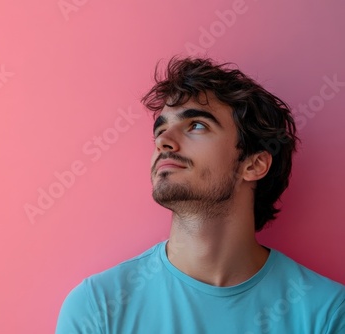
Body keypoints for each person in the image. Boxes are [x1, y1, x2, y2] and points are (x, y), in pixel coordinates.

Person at [55, 56, 345, 334]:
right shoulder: (97, 309)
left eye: (196, 125)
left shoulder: (328, 313)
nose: (164, 142)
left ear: (254, 164)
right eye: (161, 130)